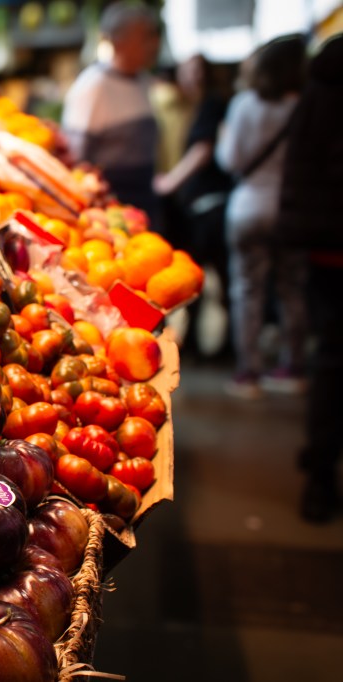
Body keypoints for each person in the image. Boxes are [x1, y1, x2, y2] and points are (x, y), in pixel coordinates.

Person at [272, 34, 343, 523]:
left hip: (327, 250)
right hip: (332, 249)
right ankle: (320, 471)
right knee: (335, 366)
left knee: (332, 365)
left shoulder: (317, 94)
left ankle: (320, 468)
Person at [215, 35, 308, 399]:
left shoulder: (244, 105)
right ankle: (293, 365)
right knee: (291, 290)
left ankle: (248, 372)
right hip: (289, 210)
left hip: (248, 208)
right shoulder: (302, 107)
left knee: (247, 291)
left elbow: (231, 161)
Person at [153, 54, 235, 359]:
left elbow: (204, 149)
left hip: (210, 204)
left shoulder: (211, 105)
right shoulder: (191, 106)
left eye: (200, 72)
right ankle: (201, 344)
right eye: (188, 71)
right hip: (198, 205)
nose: (194, 77)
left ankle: (224, 347)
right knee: (200, 277)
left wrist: (170, 182)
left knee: (209, 277)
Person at [60, 1, 162, 225]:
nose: (154, 44)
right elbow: (75, 158)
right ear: (119, 41)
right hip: (109, 212)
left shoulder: (143, 81)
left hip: (145, 201)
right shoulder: (93, 86)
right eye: (145, 37)